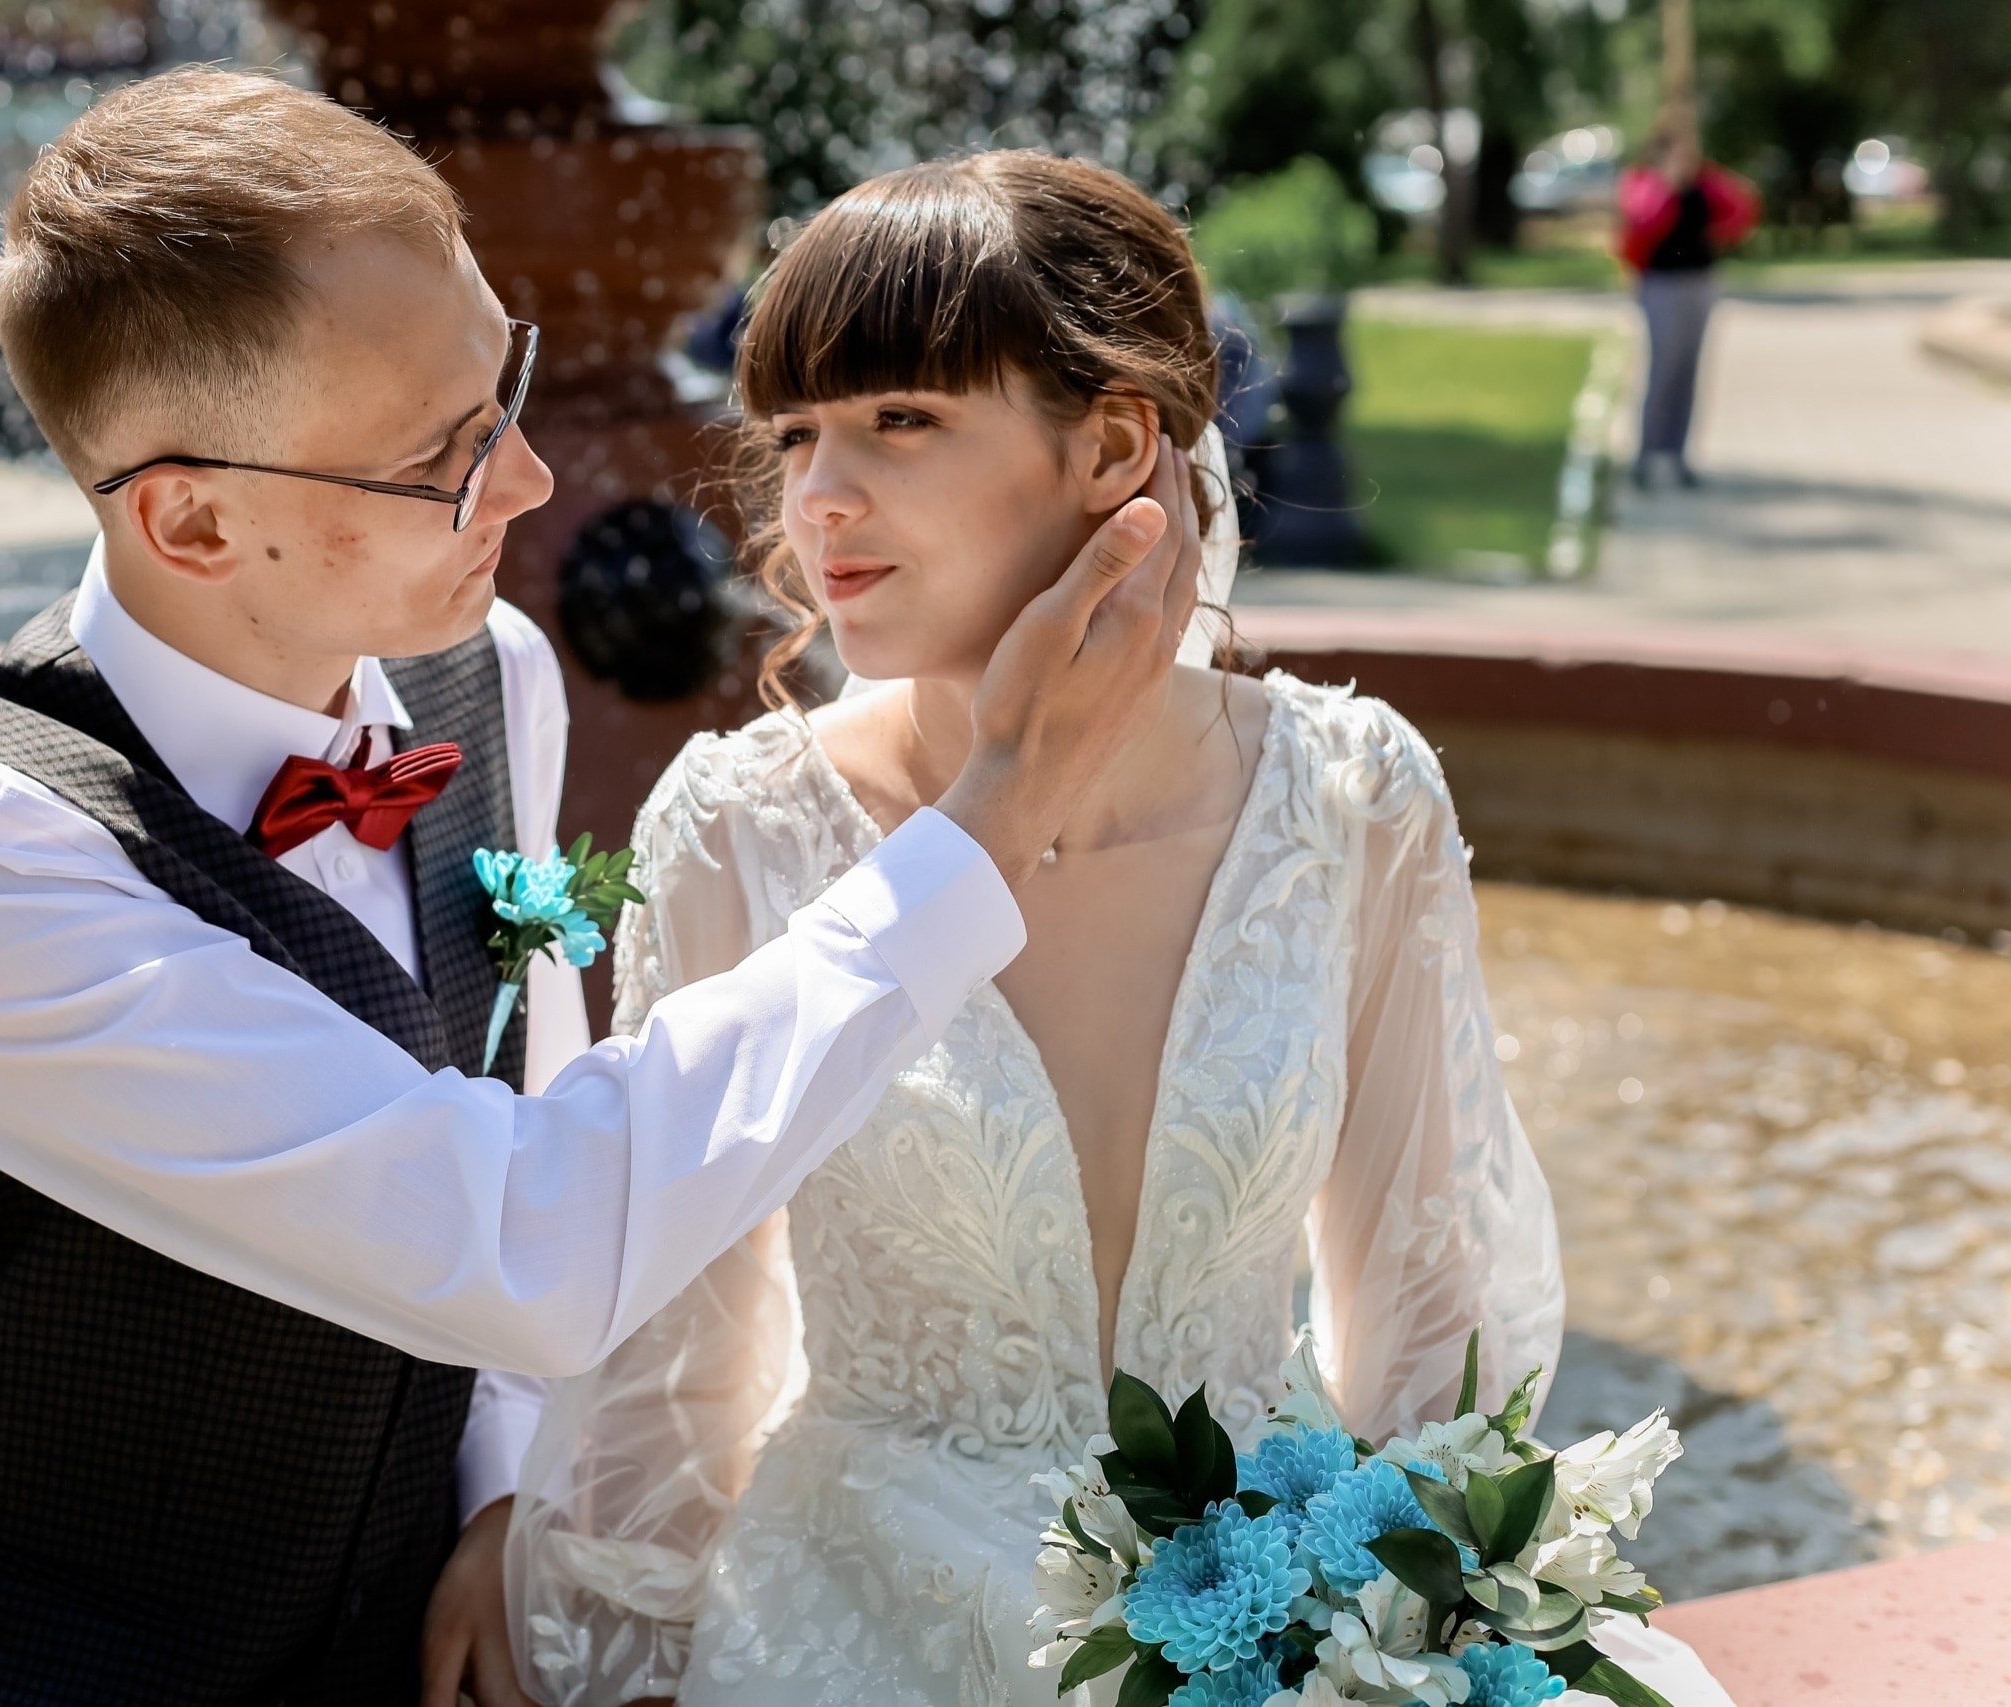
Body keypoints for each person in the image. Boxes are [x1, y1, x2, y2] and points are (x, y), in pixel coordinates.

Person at [0, 72, 1202, 1707]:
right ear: (192, 516)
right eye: (442, 455)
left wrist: (511, 1479)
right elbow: (519, 1228)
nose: (526, 483)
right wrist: (984, 829)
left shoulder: (484, 675)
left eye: (499, 380)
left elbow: (548, 1089)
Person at [506, 153, 1732, 1707]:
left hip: (1290, 1592)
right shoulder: (736, 827)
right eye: (798, 432)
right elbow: (683, 1341)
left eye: (902, 420)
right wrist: (601, 1628)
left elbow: (1429, 1311)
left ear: (1114, 445)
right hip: (866, 1621)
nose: (817, 498)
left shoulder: (1354, 796)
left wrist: (1427, 1631)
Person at [1617, 128, 1760, 490]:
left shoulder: (1705, 182)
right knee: (1662, 369)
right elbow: (1645, 220)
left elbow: (1743, 207)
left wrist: (1721, 225)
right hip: (1661, 285)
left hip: (1699, 282)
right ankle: (1646, 456)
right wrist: (1668, 185)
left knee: (1688, 371)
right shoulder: (1645, 182)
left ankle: (1678, 456)